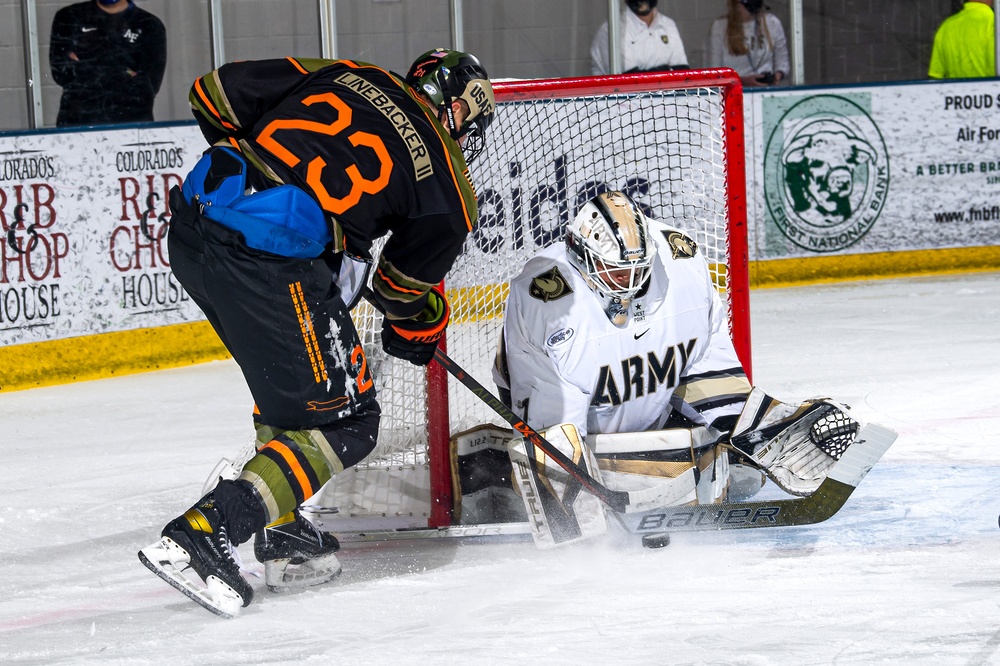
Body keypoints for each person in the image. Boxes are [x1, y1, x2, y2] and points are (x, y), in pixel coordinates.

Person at [138, 49, 495, 618]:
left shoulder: (354, 71)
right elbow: (400, 294)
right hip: (267, 260)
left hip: (192, 222)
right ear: (458, 113)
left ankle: (282, 535)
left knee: (292, 388)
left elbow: (211, 93)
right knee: (349, 420)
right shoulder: (448, 179)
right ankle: (205, 530)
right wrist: (422, 328)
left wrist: (269, 167)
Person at [490, 191, 867, 534]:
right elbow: (552, 430)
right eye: (618, 272)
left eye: (640, 270)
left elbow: (703, 362)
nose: (632, 282)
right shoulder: (545, 300)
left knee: (742, 475)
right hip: (587, 438)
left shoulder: (679, 264)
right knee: (560, 496)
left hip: (653, 421)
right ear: (582, 260)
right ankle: (488, 475)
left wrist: (757, 427)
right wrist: (577, 513)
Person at [49, 0, 166, 127]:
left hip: (132, 127)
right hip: (78, 124)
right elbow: (61, 74)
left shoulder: (149, 25)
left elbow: (146, 88)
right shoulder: (69, 17)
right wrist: (124, 71)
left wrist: (87, 65)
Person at [706, 0, 790, 88]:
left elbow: (782, 62)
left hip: (765, 90)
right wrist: (741, 80)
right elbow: (714, 72)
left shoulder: (772, 23)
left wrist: (777, 75)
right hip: (734, 92)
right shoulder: (720, 27)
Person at [590, 0, 688, 75]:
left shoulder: (668, 25)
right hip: (622, 101)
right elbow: (630, 81)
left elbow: (682, 73)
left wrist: (646, 74)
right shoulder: (612, 30)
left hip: (668, 100)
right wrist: (666, 71)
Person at [929, 0, 995, 79]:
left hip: (955, 90)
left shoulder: (946, 26)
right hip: (990, 89)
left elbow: (936, 75)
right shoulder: (994, 23)